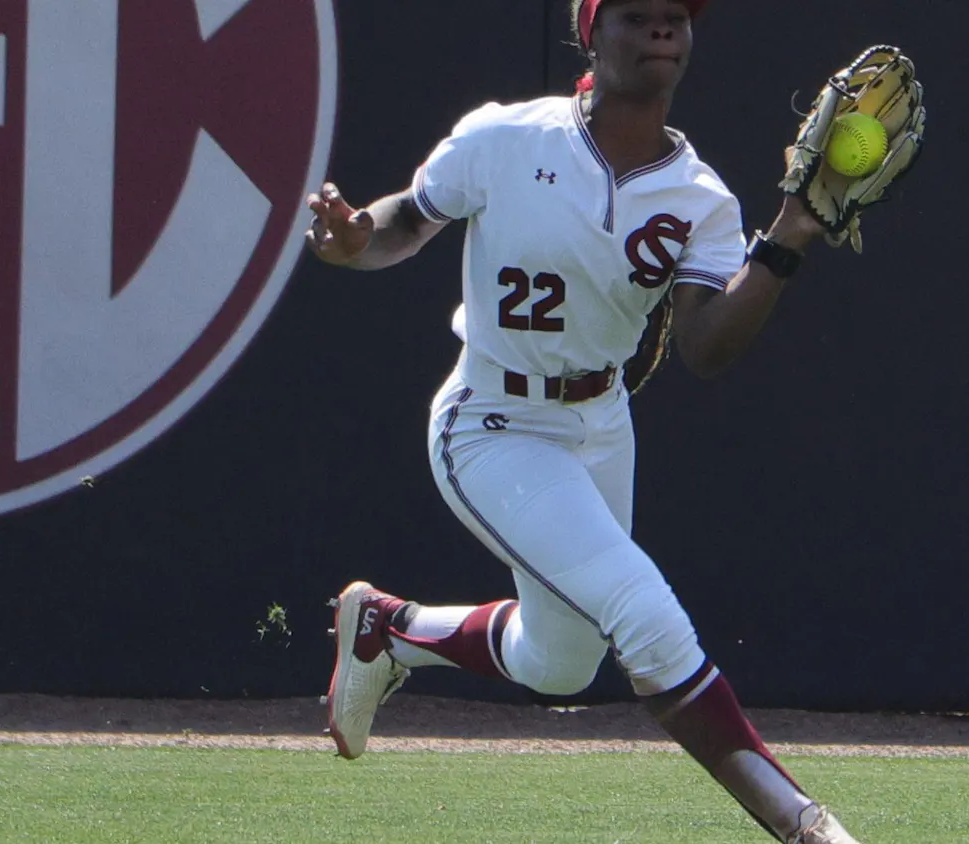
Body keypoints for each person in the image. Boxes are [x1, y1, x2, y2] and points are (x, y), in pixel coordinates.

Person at [305, 1, 864, 841]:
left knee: (558, 661)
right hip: (489, 420)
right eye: (637, 15)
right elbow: (407, 220)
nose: (662, 29)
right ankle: (805, 826)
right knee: (646, 614)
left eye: (676, 16)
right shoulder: (505, 139)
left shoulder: (699, 197)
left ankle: (392, 629)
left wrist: (787, 237)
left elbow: (707, 349)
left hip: (601, 423)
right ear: (591, 36)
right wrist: (356, 241)